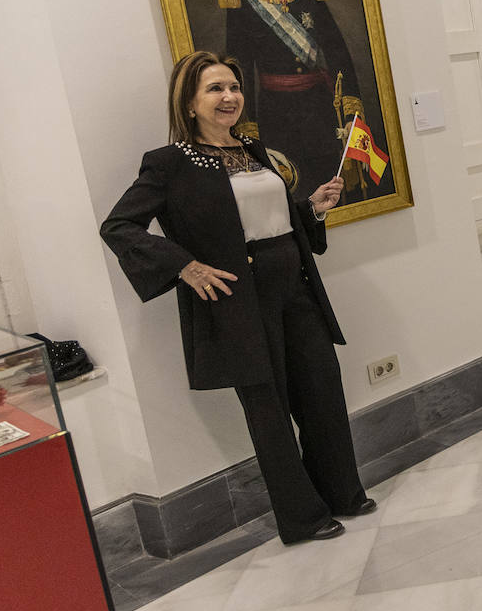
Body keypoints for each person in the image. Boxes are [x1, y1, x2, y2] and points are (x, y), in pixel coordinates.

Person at [101, 51, 374, 546]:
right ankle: (303, 517)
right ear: (188, 103)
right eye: (214, 89)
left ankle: (342, 492)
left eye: (233, 87)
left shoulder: (254, 148)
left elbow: (265, 215)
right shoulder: (169, 164)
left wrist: (309, 208)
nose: (229, 97)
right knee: (269, 412)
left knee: (321, 391)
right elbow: (118, 226)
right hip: (238, 304)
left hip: (295, 290)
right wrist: (183, 265)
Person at [221, 0, 371, 202]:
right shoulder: (241, 2)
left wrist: (351, 106)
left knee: (333, 181)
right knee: (293, 191)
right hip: (278, 114)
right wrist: (248, 126)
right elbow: (239, 72)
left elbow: (338, 53)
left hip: (320, 107)